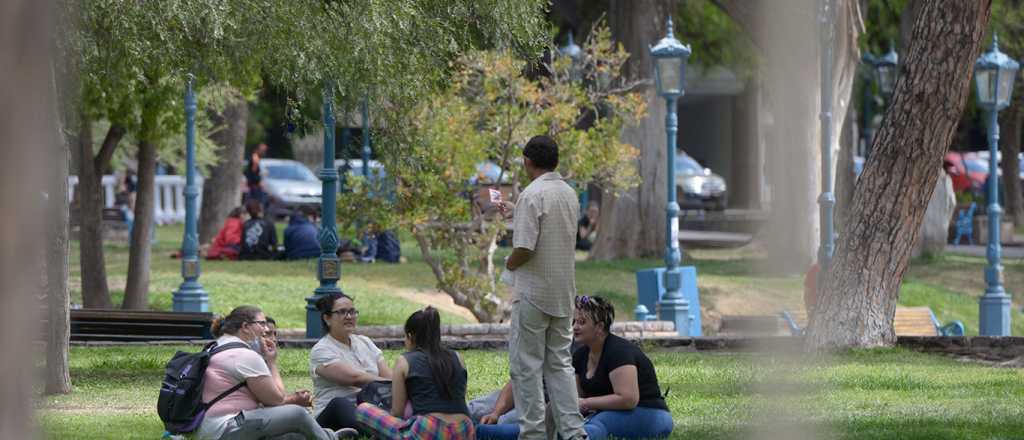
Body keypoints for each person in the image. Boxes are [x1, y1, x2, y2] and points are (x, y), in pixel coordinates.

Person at [497, 135, 587, 440]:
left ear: (527, 161)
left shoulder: (532, 195)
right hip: (562, 293)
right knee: (560, 365)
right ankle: (574, 433)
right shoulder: (569, 194)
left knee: (526, 368)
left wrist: (508, 263)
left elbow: (524, 247)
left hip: (533, 294)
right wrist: (516, 209)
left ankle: (533, 434)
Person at [196, 305, 353, 440]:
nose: (265, 329)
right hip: (225, 429)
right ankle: (329, 438)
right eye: (261, 324)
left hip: (209, 427)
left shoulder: (215, 347)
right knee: (297, 414)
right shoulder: (244, 355)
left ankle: (323, 433)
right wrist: (272, 363)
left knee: (293, 432)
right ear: (245, 327)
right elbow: (276, 399)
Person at [355, 307, 475, 439]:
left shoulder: (405, 360)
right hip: (465, 430)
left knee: (363, 410)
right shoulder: (458, 357)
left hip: (428, 429)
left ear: (410, 336)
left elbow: (397, 412)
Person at [570, 295, 673, 439]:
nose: (575, 327)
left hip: (649, 413)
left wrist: (586, 403)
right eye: (574, 321)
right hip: (604, 413)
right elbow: (578, 398)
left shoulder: (619, 351)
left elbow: (628, 399)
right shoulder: (579, 355)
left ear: (599, 327)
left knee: (599, 423)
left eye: (581, 322)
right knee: (566, 423)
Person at [310, 292, 392, 432]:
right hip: (334, 414)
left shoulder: (365, 342)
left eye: (352, 312)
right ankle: (384, 429)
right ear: (327, 319)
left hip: (370, 408)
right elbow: (356, 378)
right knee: (340, 403)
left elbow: (388, 377)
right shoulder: (321, 350)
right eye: (342, 312)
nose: (349, 316)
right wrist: (390, 384)